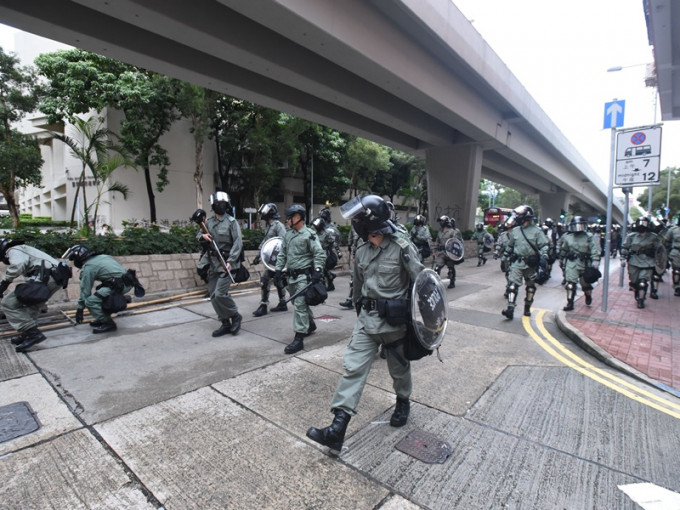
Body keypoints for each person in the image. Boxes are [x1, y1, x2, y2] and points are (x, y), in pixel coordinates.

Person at [306, 195, 424, 454]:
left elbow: (422, 285)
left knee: (398, 369)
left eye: (358, 218)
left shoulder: (402, 247)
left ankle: (403, 401)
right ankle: (337, 429)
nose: (355, 223)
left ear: (370, 222)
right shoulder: (361, 250)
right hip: (367, 322)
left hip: (394, 324)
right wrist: (360, 311)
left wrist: (422, 325)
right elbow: (358, 288)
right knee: (352, 369)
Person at [0, 240, 71, 352]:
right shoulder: (23, 248)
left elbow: (18, 264)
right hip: (56, 277)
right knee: (32, 305)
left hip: (46, 276)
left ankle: (33, 334)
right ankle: (27, 334)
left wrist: (4, 283)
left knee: (8, 303)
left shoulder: (13, 249)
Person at [274, 204, 326, 354]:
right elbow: (282, 253)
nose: (287, 220)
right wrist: (278, 269)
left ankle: (299, 339)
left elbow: (319, 253)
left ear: (298, 218)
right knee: (300, 304)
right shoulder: (288, 235)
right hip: (291, 278)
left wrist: (317, 271)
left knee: (299, 306)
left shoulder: (309, 234)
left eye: (290, 217)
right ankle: (310, 325)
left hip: (304, 277)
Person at [64, 245, 141, 333]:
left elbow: (85, 291)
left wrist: (80, 309)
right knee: (99, 293)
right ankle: (102, 318)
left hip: (119, 285)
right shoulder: (103, 256)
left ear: (78, 258)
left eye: (74, 259)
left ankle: (108, 323)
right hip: (127, 282)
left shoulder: (88, 268)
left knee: (91, 301)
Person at [197, 191, 243, 336]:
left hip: (227, 263)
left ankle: (235, 315)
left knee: (220, 294)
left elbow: (238, 242)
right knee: (213, 295)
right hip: (213, 263)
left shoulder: (231, 222)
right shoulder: (208, 223)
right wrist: (203, 236)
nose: (219, 206)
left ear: (226, 205)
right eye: (217, 204)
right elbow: (199, 235)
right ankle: (224, 323)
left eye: (222, 204)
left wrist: (230, 260)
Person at [501, 205, 549, 320]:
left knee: (530, 287)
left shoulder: (537, 232)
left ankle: (527, 307)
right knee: (512, 285)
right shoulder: (516, 231)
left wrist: (543, 257)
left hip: (531, 264)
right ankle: (510, 309)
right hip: (517, 262)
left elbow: (544, 246)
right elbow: (510, 246)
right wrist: (504, 258)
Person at [252, 203, 288, 316]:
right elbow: (266, 243)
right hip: (271, 261)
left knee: (270, 280)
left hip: (278, 260)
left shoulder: (278, 226)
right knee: (273, 281)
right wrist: (259, 256)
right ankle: (281, 303)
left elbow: (283, 242)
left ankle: (264, 305)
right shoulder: (269, 225)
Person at [558, 216, 600, 311]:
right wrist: (561, 259)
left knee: (585, 284)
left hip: (585, 263)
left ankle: (588, 295)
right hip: (572, 263)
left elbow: (594, 249)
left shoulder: (589, 237)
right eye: (576, 225)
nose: (578, 228)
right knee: (570, 284)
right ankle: (570, 302)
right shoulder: (568, 237)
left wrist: (595, 260)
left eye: (580, 225)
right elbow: (564, 249)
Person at [621, 216, 661, 309]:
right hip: (634, 261)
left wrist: (659, 262)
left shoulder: (654, 237)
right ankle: (636, 291)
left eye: (644, 223)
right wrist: (623, 258)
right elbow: (625, 247)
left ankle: (641, 300)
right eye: (640, 223)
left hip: (648, 262)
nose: (642, 226)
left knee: (642, 282)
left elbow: (659, 250)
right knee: (634, 282)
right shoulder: (631, 236)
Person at [433, 215, 462, 289]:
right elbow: (437, 242)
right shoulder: (440, 232)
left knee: (451, 268)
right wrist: (434, 251)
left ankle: (452, 282)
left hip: (450, 254)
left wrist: (455, 253)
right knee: (437, 268)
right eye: (440, 222)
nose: (440, 223)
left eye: (442, 221)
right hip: (441, 253)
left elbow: (456, 243)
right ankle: (436, 284)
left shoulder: (452, 232)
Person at [312, 216, 340, 291]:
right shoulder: (315, 234)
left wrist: (338, 252)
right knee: (321, 269)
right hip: (316, 252)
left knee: (322, 269)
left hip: (325, 252)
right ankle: (330, 277)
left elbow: (333, 242)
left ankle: (325, 284)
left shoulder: (327, 233)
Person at [339, 224, 361, 309]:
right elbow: (351, 241)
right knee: (353, 279)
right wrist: (353, 255)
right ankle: (351, 300)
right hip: (357, 256)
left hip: (367, 257)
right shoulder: (354, 226)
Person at [663, 215, 680, 297]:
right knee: (677, 270)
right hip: (676, 252)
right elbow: (666, 241)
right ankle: (677, 287)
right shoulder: (673, 230)